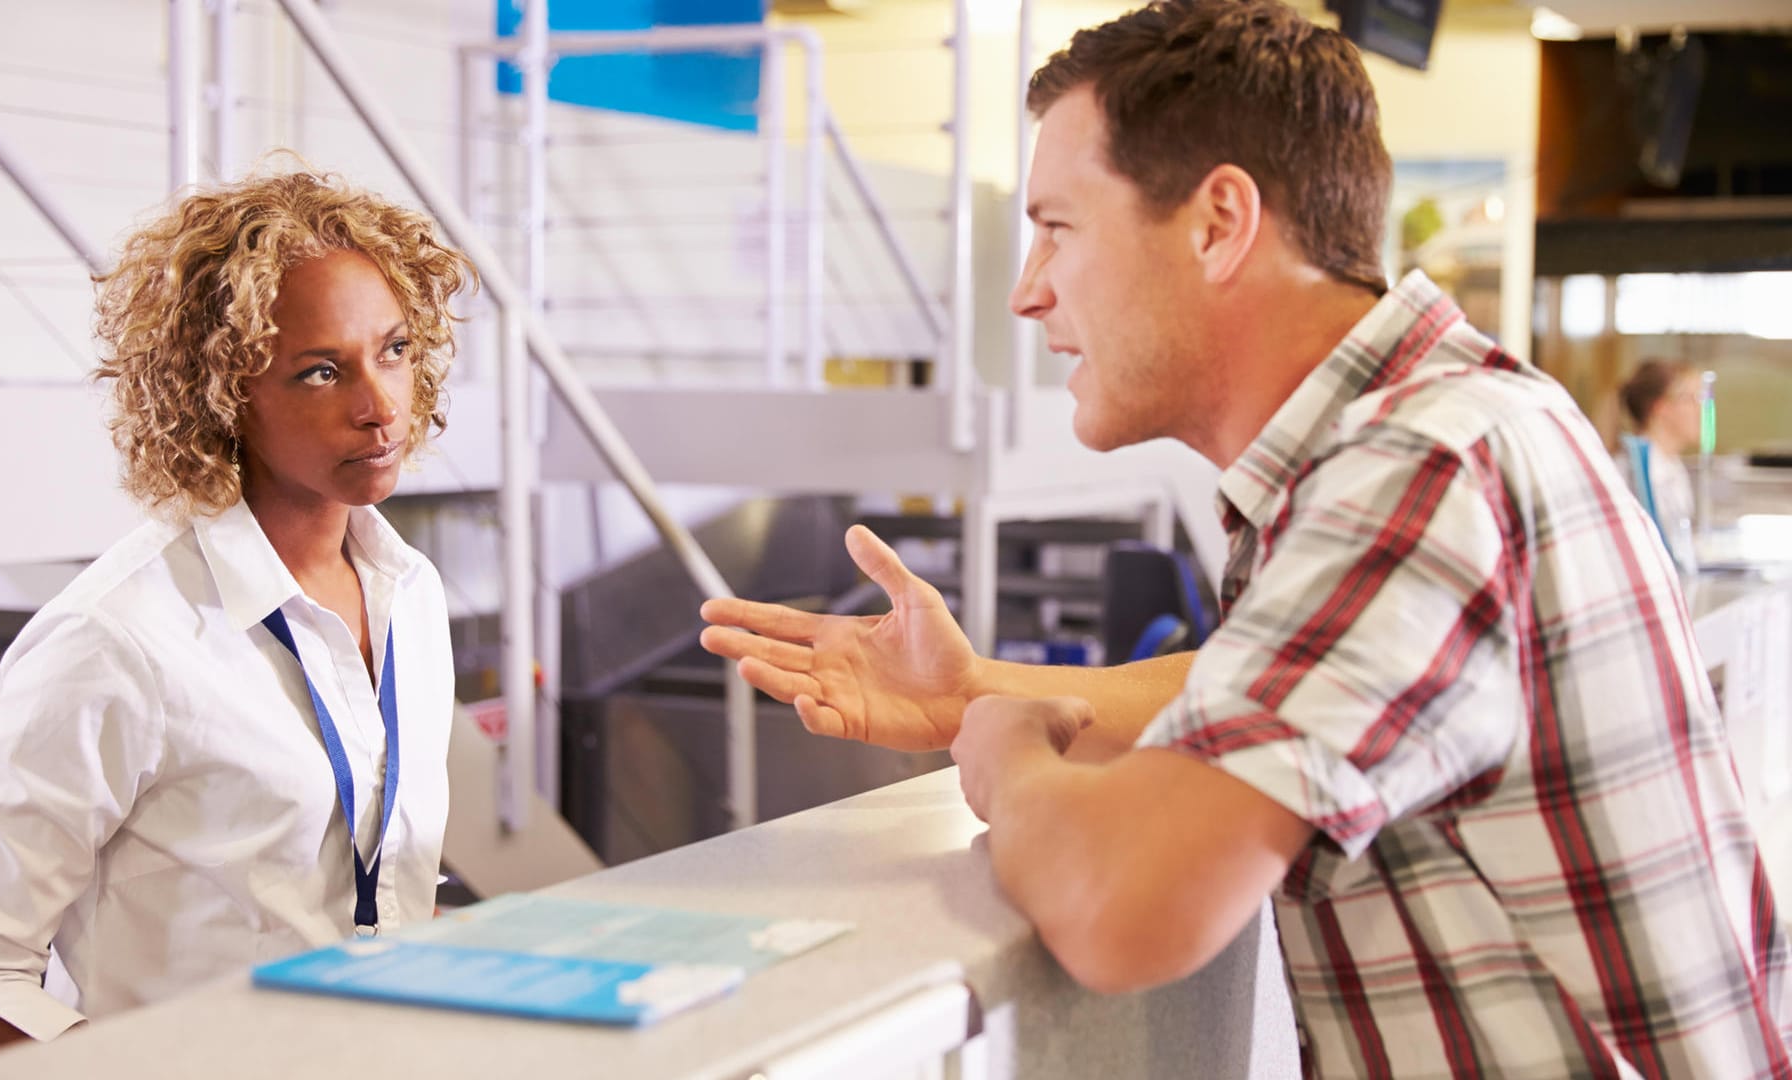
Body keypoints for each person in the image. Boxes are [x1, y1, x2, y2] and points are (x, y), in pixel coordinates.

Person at [701, 2, 1790, 1075]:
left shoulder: (1419, 468)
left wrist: (1006, 761)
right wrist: (971, 693)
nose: (1029, 293)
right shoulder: (1434, 430)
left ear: (1220, 222)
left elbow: (1119, 905)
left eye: (1058, 228)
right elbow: (1251, 687)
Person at [0, 170, 475, 1070]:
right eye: (321, 371)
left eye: (396, 350)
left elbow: (369, 904)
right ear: (222, 394)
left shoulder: (412, 593)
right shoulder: (118, 638)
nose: (381, 407)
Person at [1618, 357, 1701, 570]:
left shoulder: (1672, 466)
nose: (1701, 410)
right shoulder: (1630, 471)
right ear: (1661, 407)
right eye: (1691, 399)